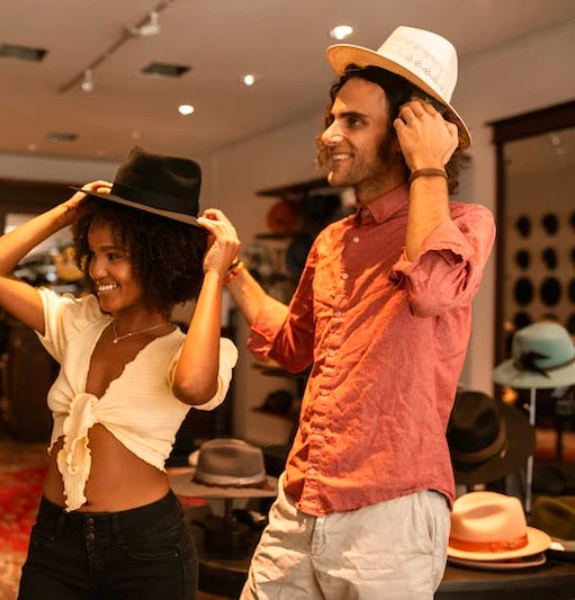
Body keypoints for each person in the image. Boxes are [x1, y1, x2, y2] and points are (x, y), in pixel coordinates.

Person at [204, 27, 497, 598]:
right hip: (300, 497)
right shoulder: (332, 239)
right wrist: (232, 269)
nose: (329, 134)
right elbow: (292, 346)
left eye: (353, 122)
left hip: (389, 513)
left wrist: (428, 168)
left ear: (410, 132)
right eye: (333, 118)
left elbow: (431, 290)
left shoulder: (465, 222)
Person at [0, 146, 239, 600]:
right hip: (57, 538)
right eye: (91, 253)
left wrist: (214, 273)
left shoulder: (193, 351)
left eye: (115, 255)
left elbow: (192, 386)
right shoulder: (76, 322)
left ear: (159, 257)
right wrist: (68, 213)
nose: (97, 270)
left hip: (146, 550)